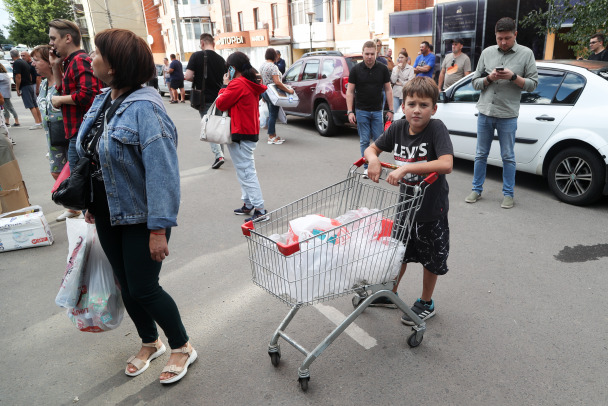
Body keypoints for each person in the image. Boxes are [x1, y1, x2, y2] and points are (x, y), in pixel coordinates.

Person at [80, 28, 196, 384]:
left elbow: (163, 174)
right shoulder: (104, 99)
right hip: (107, 211)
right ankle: (150, 341)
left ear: (115, 66)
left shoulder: (145, 109)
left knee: (145, 287)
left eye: (97, 53)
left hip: (141, 217)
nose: (90, 58)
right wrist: (89, 200)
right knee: (126, 285)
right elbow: (91, 152)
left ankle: (182, 346)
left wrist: (158, 229)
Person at [364, 77, 453, 322]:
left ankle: (426, 301)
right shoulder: (397, 127)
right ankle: (390, 292)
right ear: (403, 106)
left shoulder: (436, 128)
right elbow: (371, 149)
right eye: (412, 103)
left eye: (424, 105)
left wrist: (406, 168)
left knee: (431, 257)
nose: (417, 109)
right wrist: (373, 159)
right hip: (405, 207)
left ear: (433, 109)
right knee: (398, 252)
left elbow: (446, 163)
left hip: (431, 208)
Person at [465, 17, 538, 209]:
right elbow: (474, 82)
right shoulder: (487, 53)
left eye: (507, 38)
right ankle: (476, 189)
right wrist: (489, 78)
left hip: (508, 114)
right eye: (499, 38)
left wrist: (513, 77)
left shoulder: (526, 54)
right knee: (481, 154)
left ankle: (508, 194)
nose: (503, 42)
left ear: (515, 34)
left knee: (508, 156)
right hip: (485, 112)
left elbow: (533, 85)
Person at [216, 51, 269, 222]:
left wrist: (224, 85)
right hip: (249, 131)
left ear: (233, 68)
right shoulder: (249, 82)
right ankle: (248, 203)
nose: (227, 71)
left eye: (228, 68)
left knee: (246, 172)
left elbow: (221, 103)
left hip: (240, 132)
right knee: (244, 170)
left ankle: (260, 209)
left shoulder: (237, 83)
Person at [31, 45, 80, 222]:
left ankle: (79, 206)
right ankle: (72, 207)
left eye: (37, 60)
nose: (33, 64)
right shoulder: (43, 84)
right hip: (52, 136)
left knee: (76, 171)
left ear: (48, 61)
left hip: (68, 133)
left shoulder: (64, 81)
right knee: (56, 172)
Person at [48, 19, 102, 177]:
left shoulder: (79, 60)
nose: (51, 43)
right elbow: (62, 89)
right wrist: (55, 66)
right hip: (77, 133)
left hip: (82, 134)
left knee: (79, 187)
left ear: (67, 38)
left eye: (53, 38)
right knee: (79, 184)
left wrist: (60, 100)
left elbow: (89, 94)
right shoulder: (71, 61)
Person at [346, 40, 394, 177]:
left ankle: (374, 164)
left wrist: (391, 109)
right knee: (364, 140)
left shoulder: (383, 69)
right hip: (361, 111)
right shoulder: (355, 70)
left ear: (376, 53)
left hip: (378, 110)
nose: (369, 57)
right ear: (362, 54)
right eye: (366, 54)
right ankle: (367, 167)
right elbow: (350, 92)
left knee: (379, 141)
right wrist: (350, 111)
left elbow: (388, 90)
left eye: (372, 54)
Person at [185, 33, 227, 169]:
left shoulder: (196, 56)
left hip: (204, 98)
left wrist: (198, 78)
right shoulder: (222, 60)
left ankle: (218, 155)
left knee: (208, 128)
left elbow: (188, 76)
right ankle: (222, 153)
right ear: (212, 43)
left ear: (202, 42)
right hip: (220, 97)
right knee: (218, 125)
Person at [259, 48, 294, 145]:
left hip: (265, 92)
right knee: (273, 115)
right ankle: (271, 137)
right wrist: (288, 90)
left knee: (272, 114)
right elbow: (277, 82)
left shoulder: (262, 65)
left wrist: (262, 95)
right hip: (273, 93)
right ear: (274, 56)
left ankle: (273, 134)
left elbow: (261, 81)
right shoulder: (273, 67)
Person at [10, 49, 43, 129]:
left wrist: (17, 88)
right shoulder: (24, 62)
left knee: (31, 105)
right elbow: (30, 75)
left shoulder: (17, 63)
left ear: (11, 56)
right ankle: (40, 121)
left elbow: (18, 76)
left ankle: (37, 123)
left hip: (25, 86)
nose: (22, 56)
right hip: (30, 85)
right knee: (35, 104)